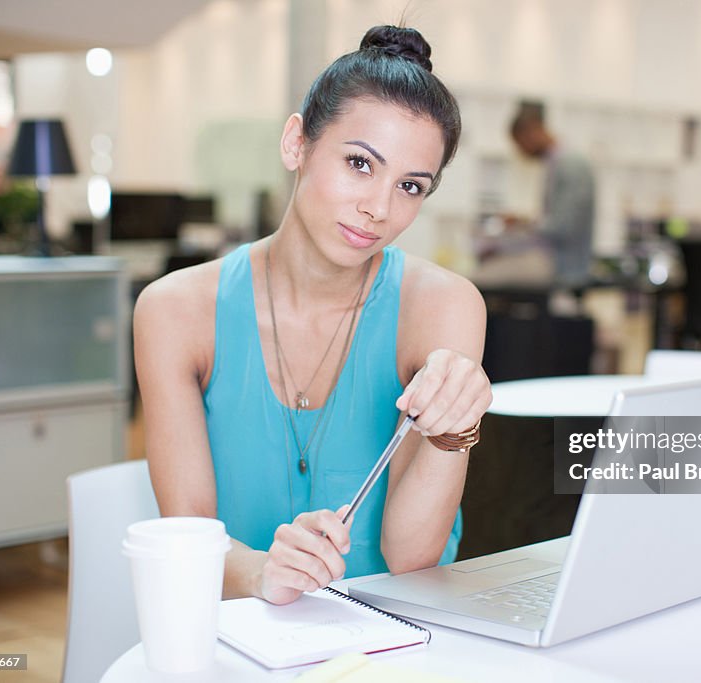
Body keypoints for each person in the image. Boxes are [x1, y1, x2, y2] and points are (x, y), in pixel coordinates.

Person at [133, 25, 491, 606]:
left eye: (410, 186)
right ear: (296, 143)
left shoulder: (443, 306)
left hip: (391, 639)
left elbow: (411, 557)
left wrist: (455, 430)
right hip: (240, 641)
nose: (378, 208)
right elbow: (188, 537)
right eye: (358, 163)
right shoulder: (176, 311)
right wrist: (260, 574)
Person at [506, 100, 596, 289]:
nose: (521, 152)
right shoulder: (557, 163)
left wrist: (524, 224)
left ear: (532, 131)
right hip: (556, 260)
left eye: (520, 144)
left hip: (564, 266)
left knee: (476, 280)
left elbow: (563, 227)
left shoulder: (571, 165)